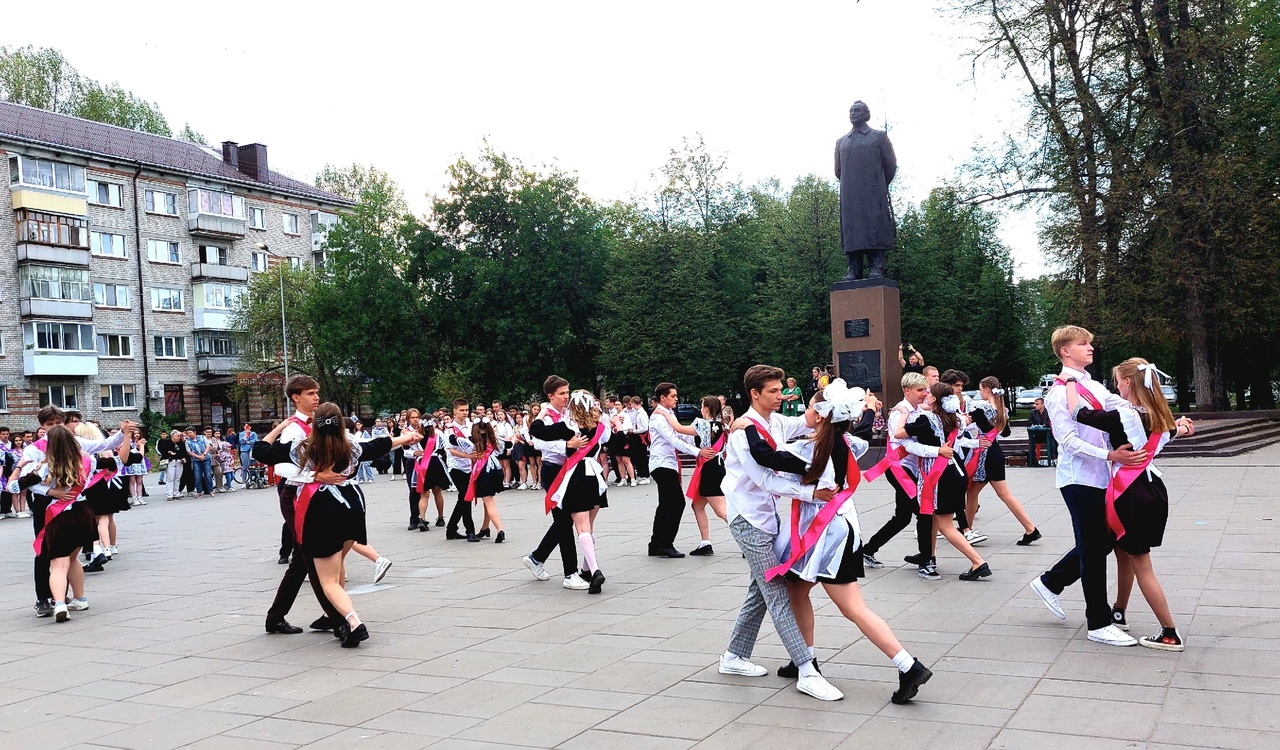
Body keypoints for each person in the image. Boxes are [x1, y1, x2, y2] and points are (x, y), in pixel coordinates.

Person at [757, 381, 933, 703]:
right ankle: (805, 660)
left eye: (811, 407)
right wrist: (865, 410)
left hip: (826, 536)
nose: (807, 412)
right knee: (798, 591)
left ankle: (909, 665)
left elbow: (767, 457)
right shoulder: (845, 442)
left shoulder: (812, 449)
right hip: (837, 530)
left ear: (823, 416)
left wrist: (743, 428)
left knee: (852, 607)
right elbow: (862, 438)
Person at [718, 364, 843, 701]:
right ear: (754, 394)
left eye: (781, 390)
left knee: (760, 590)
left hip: (766, 517)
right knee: (776, 591)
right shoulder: (743, 431)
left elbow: (806, 421)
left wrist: (834, 402)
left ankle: (733, 656)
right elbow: (765, 479)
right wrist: (811, 491)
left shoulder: (775, 421)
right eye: (773, 391)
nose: (781, 396)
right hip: (748, 519)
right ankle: (806, 670)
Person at [256, 403, 420, 646]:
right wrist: (405, 438)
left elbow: (260, 451)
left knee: (327, 580)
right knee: (338, 564)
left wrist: (281, 427)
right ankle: (333, 616)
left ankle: (352, 622)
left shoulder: (304, 448)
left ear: (315, 424)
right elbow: (378, 446)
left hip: (320, 508)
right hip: (352, 507)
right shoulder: (350, 445)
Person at [1029, 325, 1149, 647]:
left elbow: (1122, 406)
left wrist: (1158, 416)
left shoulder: (1092, 384)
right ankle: (1098, 621)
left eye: (1090, 343)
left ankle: (1051, 582)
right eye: (1083, 344)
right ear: (1065, 351)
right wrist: (1110, 454)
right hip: (1079, 478)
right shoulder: (1057, 392)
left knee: (1101, 541)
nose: (1090, 348)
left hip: (1101, 476)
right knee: (1095, 548)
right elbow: (1066, 441)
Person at [1069, 358, 1193, 651]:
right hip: (1152, 489)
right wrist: (1185, 428)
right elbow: (1177, 432)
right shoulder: (1160, 415)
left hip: (1130, 495)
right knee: (1124, 553)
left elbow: (1077, 412)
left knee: (1141, 564)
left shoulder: (1120, 416)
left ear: (1127, 383)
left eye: (1117, 381)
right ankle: (1119, 611)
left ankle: (1169, 632)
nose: (1115, 386)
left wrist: (1071, 382)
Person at [7, 406, 129, 618]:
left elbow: (18, 485)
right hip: (58, 504)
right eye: (50, 424)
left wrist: (123, 433)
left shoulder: (56, 455)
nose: (55, 427)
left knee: (59, 558)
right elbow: (117, 459)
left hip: (59, 508)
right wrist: (50, 491)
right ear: (42, 427)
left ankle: (60, 601)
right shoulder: (38, 449)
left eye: (58, 423)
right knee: (52, 554)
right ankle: (54, 598)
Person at [257, 375, 345, 637]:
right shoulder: (294, 428)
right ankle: (339, 619)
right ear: (296, 397)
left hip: (315, 496)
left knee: (301, 562)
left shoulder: (319, 424)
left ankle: (275, 618)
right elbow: (283, 466)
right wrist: (316, 476)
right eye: (310, 393)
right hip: (296, 496)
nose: (316, 397)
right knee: (311, 555)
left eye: (317, 392)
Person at [898, 383, 991, 581]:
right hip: (955, 471)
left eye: (929, 393)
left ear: (934, 399)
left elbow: (899, 435)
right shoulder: (954, 418)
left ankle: (978, 562)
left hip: (939, 475)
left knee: (945, 525)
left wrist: (904, 413)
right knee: (932, 517)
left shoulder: (926, 419)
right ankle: (928, 557)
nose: (925, 395)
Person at [858, 373, 936, 576]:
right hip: (899, 470)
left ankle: (867, 549)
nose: (924, 393)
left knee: (902, 518)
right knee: (923, 512)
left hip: (910, 468)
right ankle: (926, 562)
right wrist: (935, 451)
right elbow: (905, 443)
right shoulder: (898, 413)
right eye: (920, 390)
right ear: (906, 390)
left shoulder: (917, 410)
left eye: (925, 390)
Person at [541, 390, 617, 593]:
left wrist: (541, 414)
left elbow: (537, 431)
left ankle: (594, 570)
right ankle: (586, 569)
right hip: (595, 476)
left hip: (576, 477)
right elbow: (612, 438)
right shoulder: (601, 427)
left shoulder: (568, 427)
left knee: (582, 527)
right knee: (589, 526)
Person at [521, 376, 591, 590]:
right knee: (563, 521)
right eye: (561, 393)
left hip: (570, 469)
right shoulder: (546, 416)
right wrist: (566, 445)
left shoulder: (567, 412)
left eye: (567, 392)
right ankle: (570, 573)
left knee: (565, 521)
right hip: (553, 472)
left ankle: (537, 558)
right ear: (550, 396)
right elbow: (539, 443)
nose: (566, 396)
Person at [963, 377, 1040, 546]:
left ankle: (967, 530)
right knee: (985, 493)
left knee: (982, 493)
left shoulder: (981, 408)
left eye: (981, 389)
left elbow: (965, 424)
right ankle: (1030, 528)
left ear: (988, 389)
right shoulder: (1002, 409)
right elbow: (1005, 433)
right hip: (996, 451)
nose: (980, 392)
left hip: (986, 453)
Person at [647, 383, 712, 558]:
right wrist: (698, 452)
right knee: (677, 503)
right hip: (662, 464)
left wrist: (695, 435)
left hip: (667, 464)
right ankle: (665, 545)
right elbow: (672, 440)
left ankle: (656, 544)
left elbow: (678, 436)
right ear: (663, 397)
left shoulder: (668, 414)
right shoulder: (659, 417)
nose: (676, 398)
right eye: (673, 396)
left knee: (665, 505)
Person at [659, 396, 729, 556]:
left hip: (709, 468)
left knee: (721, 511)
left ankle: (747, 538)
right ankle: (705, 543)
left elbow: (678, 428)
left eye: (702, 406)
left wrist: (665, 414)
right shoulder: (722, 424)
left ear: (706, 409)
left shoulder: (702, 423)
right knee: (697, 506)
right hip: (716, 466)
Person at [469, 418, 508, 543]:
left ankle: (499, 530)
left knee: (489, 502)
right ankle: (485, 528)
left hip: (482, 471)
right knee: (487, 500)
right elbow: (507, 446)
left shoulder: (472, 440)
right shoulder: (493, 439)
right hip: (495, 470)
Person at [186, 428, 213, 497]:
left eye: (190, 432)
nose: (189, 434)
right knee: (197, 476)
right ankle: (199, 491)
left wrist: (204, 455)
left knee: (208, 475)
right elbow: (189, 452)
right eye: (188, 433)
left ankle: (210, 490)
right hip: (196, 460)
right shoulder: (188, 441)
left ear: (194, 432)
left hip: (206, 458)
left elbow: (208, 446)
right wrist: (198, 457)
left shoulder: (202, 437)